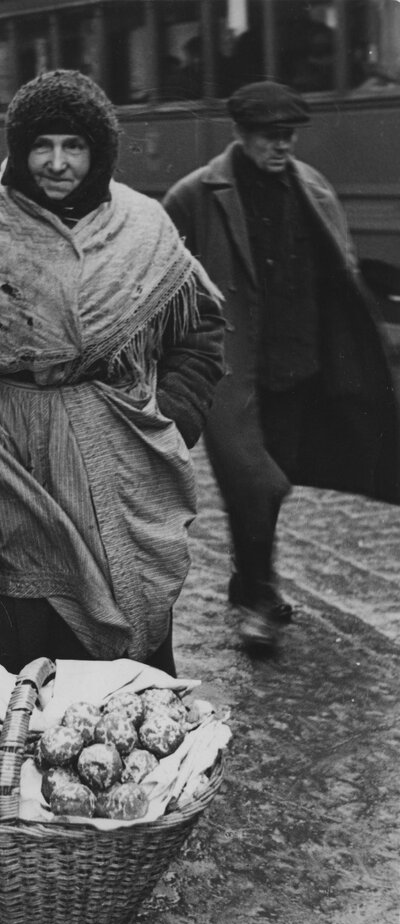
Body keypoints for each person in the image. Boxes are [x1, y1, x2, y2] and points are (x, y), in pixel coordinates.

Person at [0, 70, 225, 677]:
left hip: (119, 456)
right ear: (18, 150)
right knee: (7, 649)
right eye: (41, 145)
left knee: (118, 656)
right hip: (3, 462)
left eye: (74, 146)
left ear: (100, 152)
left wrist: (172, 419)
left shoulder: (143, 228)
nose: (57, 163)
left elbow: (200, 330)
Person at [163, 81, 400, 650]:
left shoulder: (312, 188)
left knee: (277, 478)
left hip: (299, 366)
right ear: (241, 134)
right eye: (270, 137)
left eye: (288, 136)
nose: (282, 147)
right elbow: (164, 280)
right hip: (233, 370)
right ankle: (262, 597)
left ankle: (248, 581)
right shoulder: (196, 194)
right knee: (256, 483)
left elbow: (339, 271)